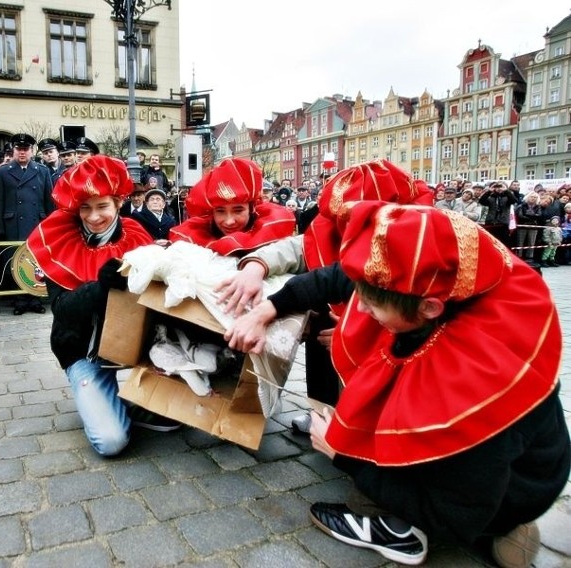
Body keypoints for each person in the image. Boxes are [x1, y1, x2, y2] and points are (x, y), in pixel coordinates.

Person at [225, 201, 569, 568]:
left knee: (363, 474)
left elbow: (461, 508)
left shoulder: (468, 382)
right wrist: (268, 308)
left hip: (494, 491)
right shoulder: (425, 277)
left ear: (430, 309)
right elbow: (334, 278)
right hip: (500, 469)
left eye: (371, 307)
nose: (359, 312)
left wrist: (342, 455)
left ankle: (399, 532)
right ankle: (499, 530)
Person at [216, 160, 434, 435]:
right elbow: (302, 252)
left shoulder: (422, 242)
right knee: (318, 317)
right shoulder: (331, 230)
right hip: (336, 329)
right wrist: (255, 266)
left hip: (398, 345)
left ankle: (369, 426)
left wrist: (358, 334)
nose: (348, 231)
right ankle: (324, 410)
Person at [26, 155, 177, 456]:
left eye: (102, 206)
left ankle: (133, 401)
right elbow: (62, 309)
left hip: (133, 345)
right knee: (111, 441)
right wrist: (101, 285)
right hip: (83, 351)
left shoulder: (136, 233)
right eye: (85, 207)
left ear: (119, 203)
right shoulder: (59, 239)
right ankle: (114, 404)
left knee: (178, 411)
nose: (93, 216)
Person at [169, 157, 295, 257]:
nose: (229, 221)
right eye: (220, 211)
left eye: (238, 210)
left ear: (252, 208)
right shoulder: (196, 232)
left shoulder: (273, 227)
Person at [0, 132, 54, 315]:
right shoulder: (3, 172)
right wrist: (0, 227)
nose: (22, 152)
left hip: (37, 222)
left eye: (26, 149)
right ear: (13, 150)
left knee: (36, 262)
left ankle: (35, 299)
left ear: (32, 151)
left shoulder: (42, 171)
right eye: (19, 149)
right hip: (13, 223)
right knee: (15, 261)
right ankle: (20, 300)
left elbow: (48, 200)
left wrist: (50, 225)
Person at [479, 180, 516, 248]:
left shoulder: (507, 197)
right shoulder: (491, 197)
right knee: (490, 243)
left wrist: (506, 190)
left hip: (503, 223)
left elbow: (514, 200)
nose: (499, 188)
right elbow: (481, 201)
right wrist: (489, 191)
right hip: (491, 222)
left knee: (504, 243)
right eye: (497, 187)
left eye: (501, 186)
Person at [513, 191, 542, 261]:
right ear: (528, 197)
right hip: (522, 225)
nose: (533, 198)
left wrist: (528, 215)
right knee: (520, 242)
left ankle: (529, 257)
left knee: (531, 242)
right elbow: (520, 215)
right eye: (532, 197)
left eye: (535, 197)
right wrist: (532, 216)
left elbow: (539, 215)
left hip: (533, 226)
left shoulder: (538, 207)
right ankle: (519, 256)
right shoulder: (521, 205)